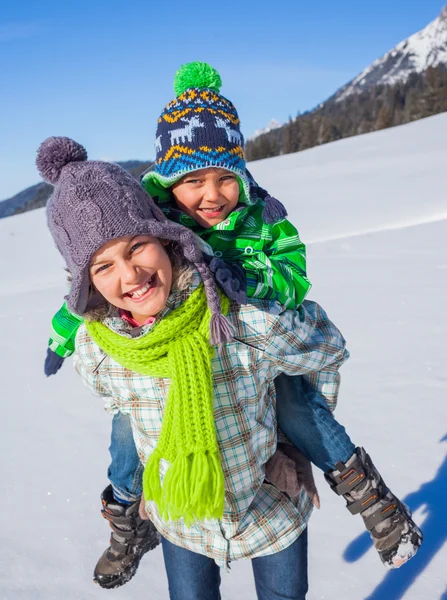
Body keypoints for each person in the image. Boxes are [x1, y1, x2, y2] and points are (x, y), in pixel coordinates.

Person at [42, 62, 422, 586]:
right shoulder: (144, 241)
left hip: (264, 473)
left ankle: (362, 486)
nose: (212, 195)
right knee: (125, 429)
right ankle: (126, 516)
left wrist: (250, 288)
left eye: (225, 178)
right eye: (193, 180)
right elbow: (89, 291)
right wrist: (61, 339)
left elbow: (301, 294)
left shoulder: (261, 222)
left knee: (294, 398)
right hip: (186, 512)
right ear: (165, 194)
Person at [39, 135, 350, 599]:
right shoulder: (98, 351)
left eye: (137, 247)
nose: (130, 275)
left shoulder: (240, 320)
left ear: (169, 241)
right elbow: (119, 410)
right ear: (85, 285)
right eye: (102, 267)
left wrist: (294, 437)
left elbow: (325, 351)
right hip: (180, 519)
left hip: (269, 508)